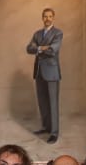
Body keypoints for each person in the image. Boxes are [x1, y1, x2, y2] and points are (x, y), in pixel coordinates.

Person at [26, 7, 63, 141]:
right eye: (45, 16)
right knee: (42, 102)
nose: (47, 19)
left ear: (53, 18)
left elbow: (53, 50)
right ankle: (46, 127)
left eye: (50, 16)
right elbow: (29, 49)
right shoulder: (37, 33)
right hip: (39, 71)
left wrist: (38, 48)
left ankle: (54, 133)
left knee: (53, 103)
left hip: (52, 72)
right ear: (42, 18)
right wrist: (42, 48)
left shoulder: (58, 33)